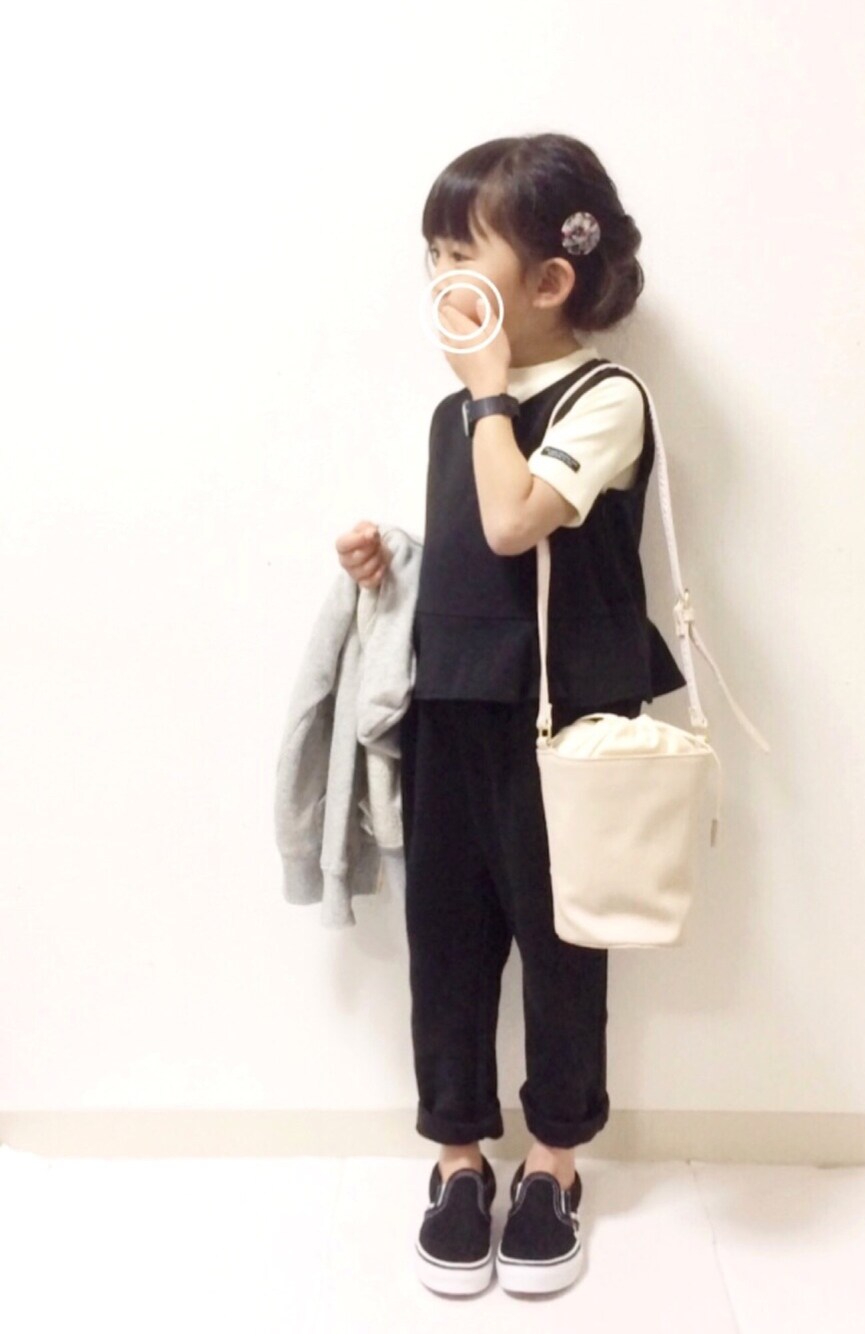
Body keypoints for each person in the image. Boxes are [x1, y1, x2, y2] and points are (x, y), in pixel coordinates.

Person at [335, 132, 686, 1295]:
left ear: (548, 279)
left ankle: (555, 1163)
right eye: (431, 255)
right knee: (445, 939)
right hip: (454, 701)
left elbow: (515, 520)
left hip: (568, 716)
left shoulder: (605, 396)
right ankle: (456, 1157)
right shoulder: (458, 414)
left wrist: (489, 393)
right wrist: (392, 560)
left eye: (461, 255)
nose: (441, 280)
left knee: (561, 939)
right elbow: (473, 550)